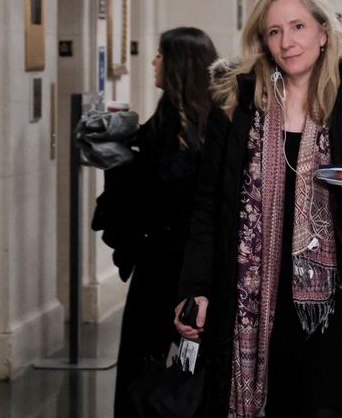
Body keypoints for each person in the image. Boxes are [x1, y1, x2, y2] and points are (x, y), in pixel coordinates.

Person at [173, 0, 342, 418]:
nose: (286, 42)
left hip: (335, 298)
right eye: (274, 31)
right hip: (250, 293)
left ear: (324, 32)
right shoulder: (239, 102)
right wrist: (193, 288)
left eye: (297, 26)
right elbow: (208, 206)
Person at [91, 27, 218, 417]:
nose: (153, 61)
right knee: (171, 375)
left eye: (160, 55)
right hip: (176, 265)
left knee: (153, 372)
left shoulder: (185, 129)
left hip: (170, 269)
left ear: (178, 64)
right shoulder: (190, 122)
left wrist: (119, 159)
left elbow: (153, 193)